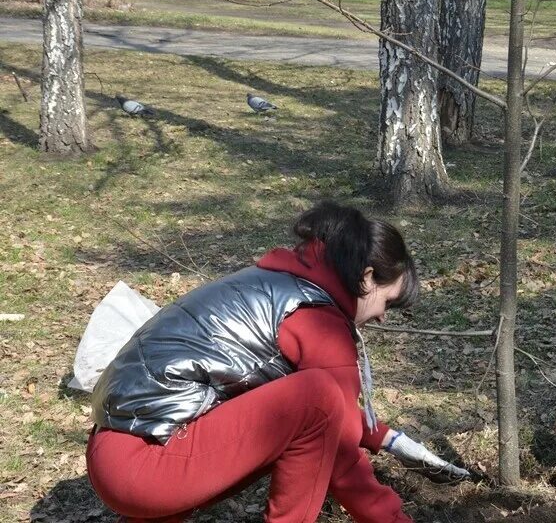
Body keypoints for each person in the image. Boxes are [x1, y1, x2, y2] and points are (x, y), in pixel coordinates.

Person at [86, 201, 469, 522]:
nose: (383, 317)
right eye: (388, 302)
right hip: (147, 469)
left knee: (302, 414)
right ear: (367, 278)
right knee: (317, 399)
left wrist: (389, 439)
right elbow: (337, 445)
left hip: (115, 454)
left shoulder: (274, 283)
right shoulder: (318, 318)